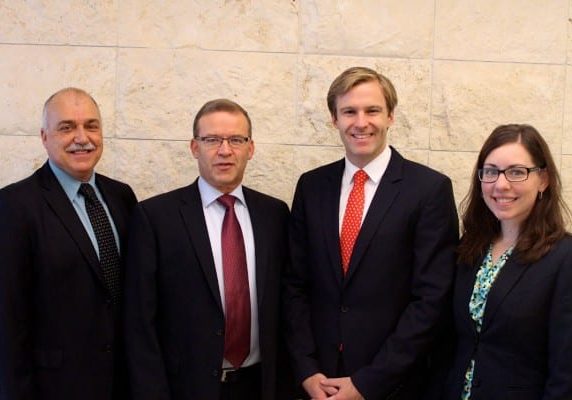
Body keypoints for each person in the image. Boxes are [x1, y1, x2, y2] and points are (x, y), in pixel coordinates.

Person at [283, 66, 459, 400]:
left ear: (391, 116)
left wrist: (370, 382)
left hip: (394, 385)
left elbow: (432, 299)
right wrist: (306, 370)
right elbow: (295, 284)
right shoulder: (312, 186)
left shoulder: (428, 190)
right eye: (349, 111)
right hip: (318, 383)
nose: (361, 122)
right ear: (334, 119)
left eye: (372, 110)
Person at [124, 98, 292, 399]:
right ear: (194, 147)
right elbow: (140, 323)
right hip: (185, 388)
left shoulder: (275, 215)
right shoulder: (155, 218)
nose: (225, 150)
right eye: (212, 139)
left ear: (250, 149)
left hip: (261, 385)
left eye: (236, 140)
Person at [0, 87, 137, 399]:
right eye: (66, 127)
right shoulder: (14, 205)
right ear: (44, 137)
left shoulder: (122, 197)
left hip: (122, 382)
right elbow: (8, 321)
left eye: (91, 125)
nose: (81, 137)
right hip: (56, 387)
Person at [437, 124, 572, 400]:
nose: (501, 184)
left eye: (516, 172)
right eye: (491, 171)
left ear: (543, 179)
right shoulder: (470, 248)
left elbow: (566, 370)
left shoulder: (564, 258)